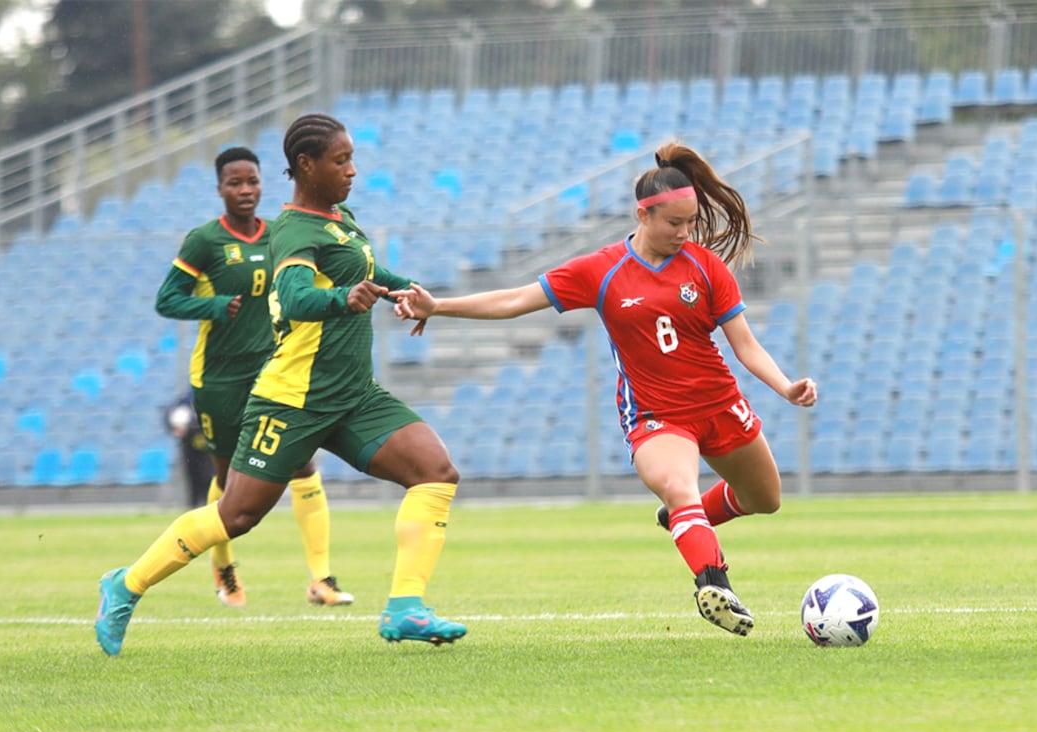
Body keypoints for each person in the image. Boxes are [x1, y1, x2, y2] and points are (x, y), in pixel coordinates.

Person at [391, 141, 817, 637]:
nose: (685, 233)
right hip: (658, 417)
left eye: (690, 223)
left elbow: (745, 345)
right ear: (643, 213)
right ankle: (713, 581)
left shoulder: (705, 267)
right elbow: (514, 300)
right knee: (681, 485)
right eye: (674, 223)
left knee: (766, 498)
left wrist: (786, 387)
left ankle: (683, 519)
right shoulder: (601, 270)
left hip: (721, 405)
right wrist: (437, 306)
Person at [95, 114, 466, 655]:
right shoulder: (294, 231)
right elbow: (294, 298)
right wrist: (345, 299)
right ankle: (125, 585)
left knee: (436, 472)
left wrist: (407, 290)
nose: (353, 170)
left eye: (352, 159)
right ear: (306, 167)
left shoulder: (341, 218)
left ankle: (405, 608)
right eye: (341, 161)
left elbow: (367, 268)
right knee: (236, 516)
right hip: (292, 398)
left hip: (353, 394)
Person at [152, 146, 353, 609]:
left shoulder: (280, 235)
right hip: (219, 379)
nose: (245, 190)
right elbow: (168, 300)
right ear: (220, 188)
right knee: (228, 478)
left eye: (253, 181)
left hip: (273, 372)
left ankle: (321, 579)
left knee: (303, 463)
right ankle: (224, 568)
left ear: (264, 184)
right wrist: (214, 306)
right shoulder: (204, 241)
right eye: (235, 183)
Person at [164, 390, 214, 508]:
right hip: (189, 444)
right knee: (192, 475)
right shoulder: (187, 397)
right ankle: (193, 505)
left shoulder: (210, 394)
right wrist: (174, 428)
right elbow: (169, 415)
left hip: (208, 443)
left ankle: (209, 504)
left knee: (208, 475)